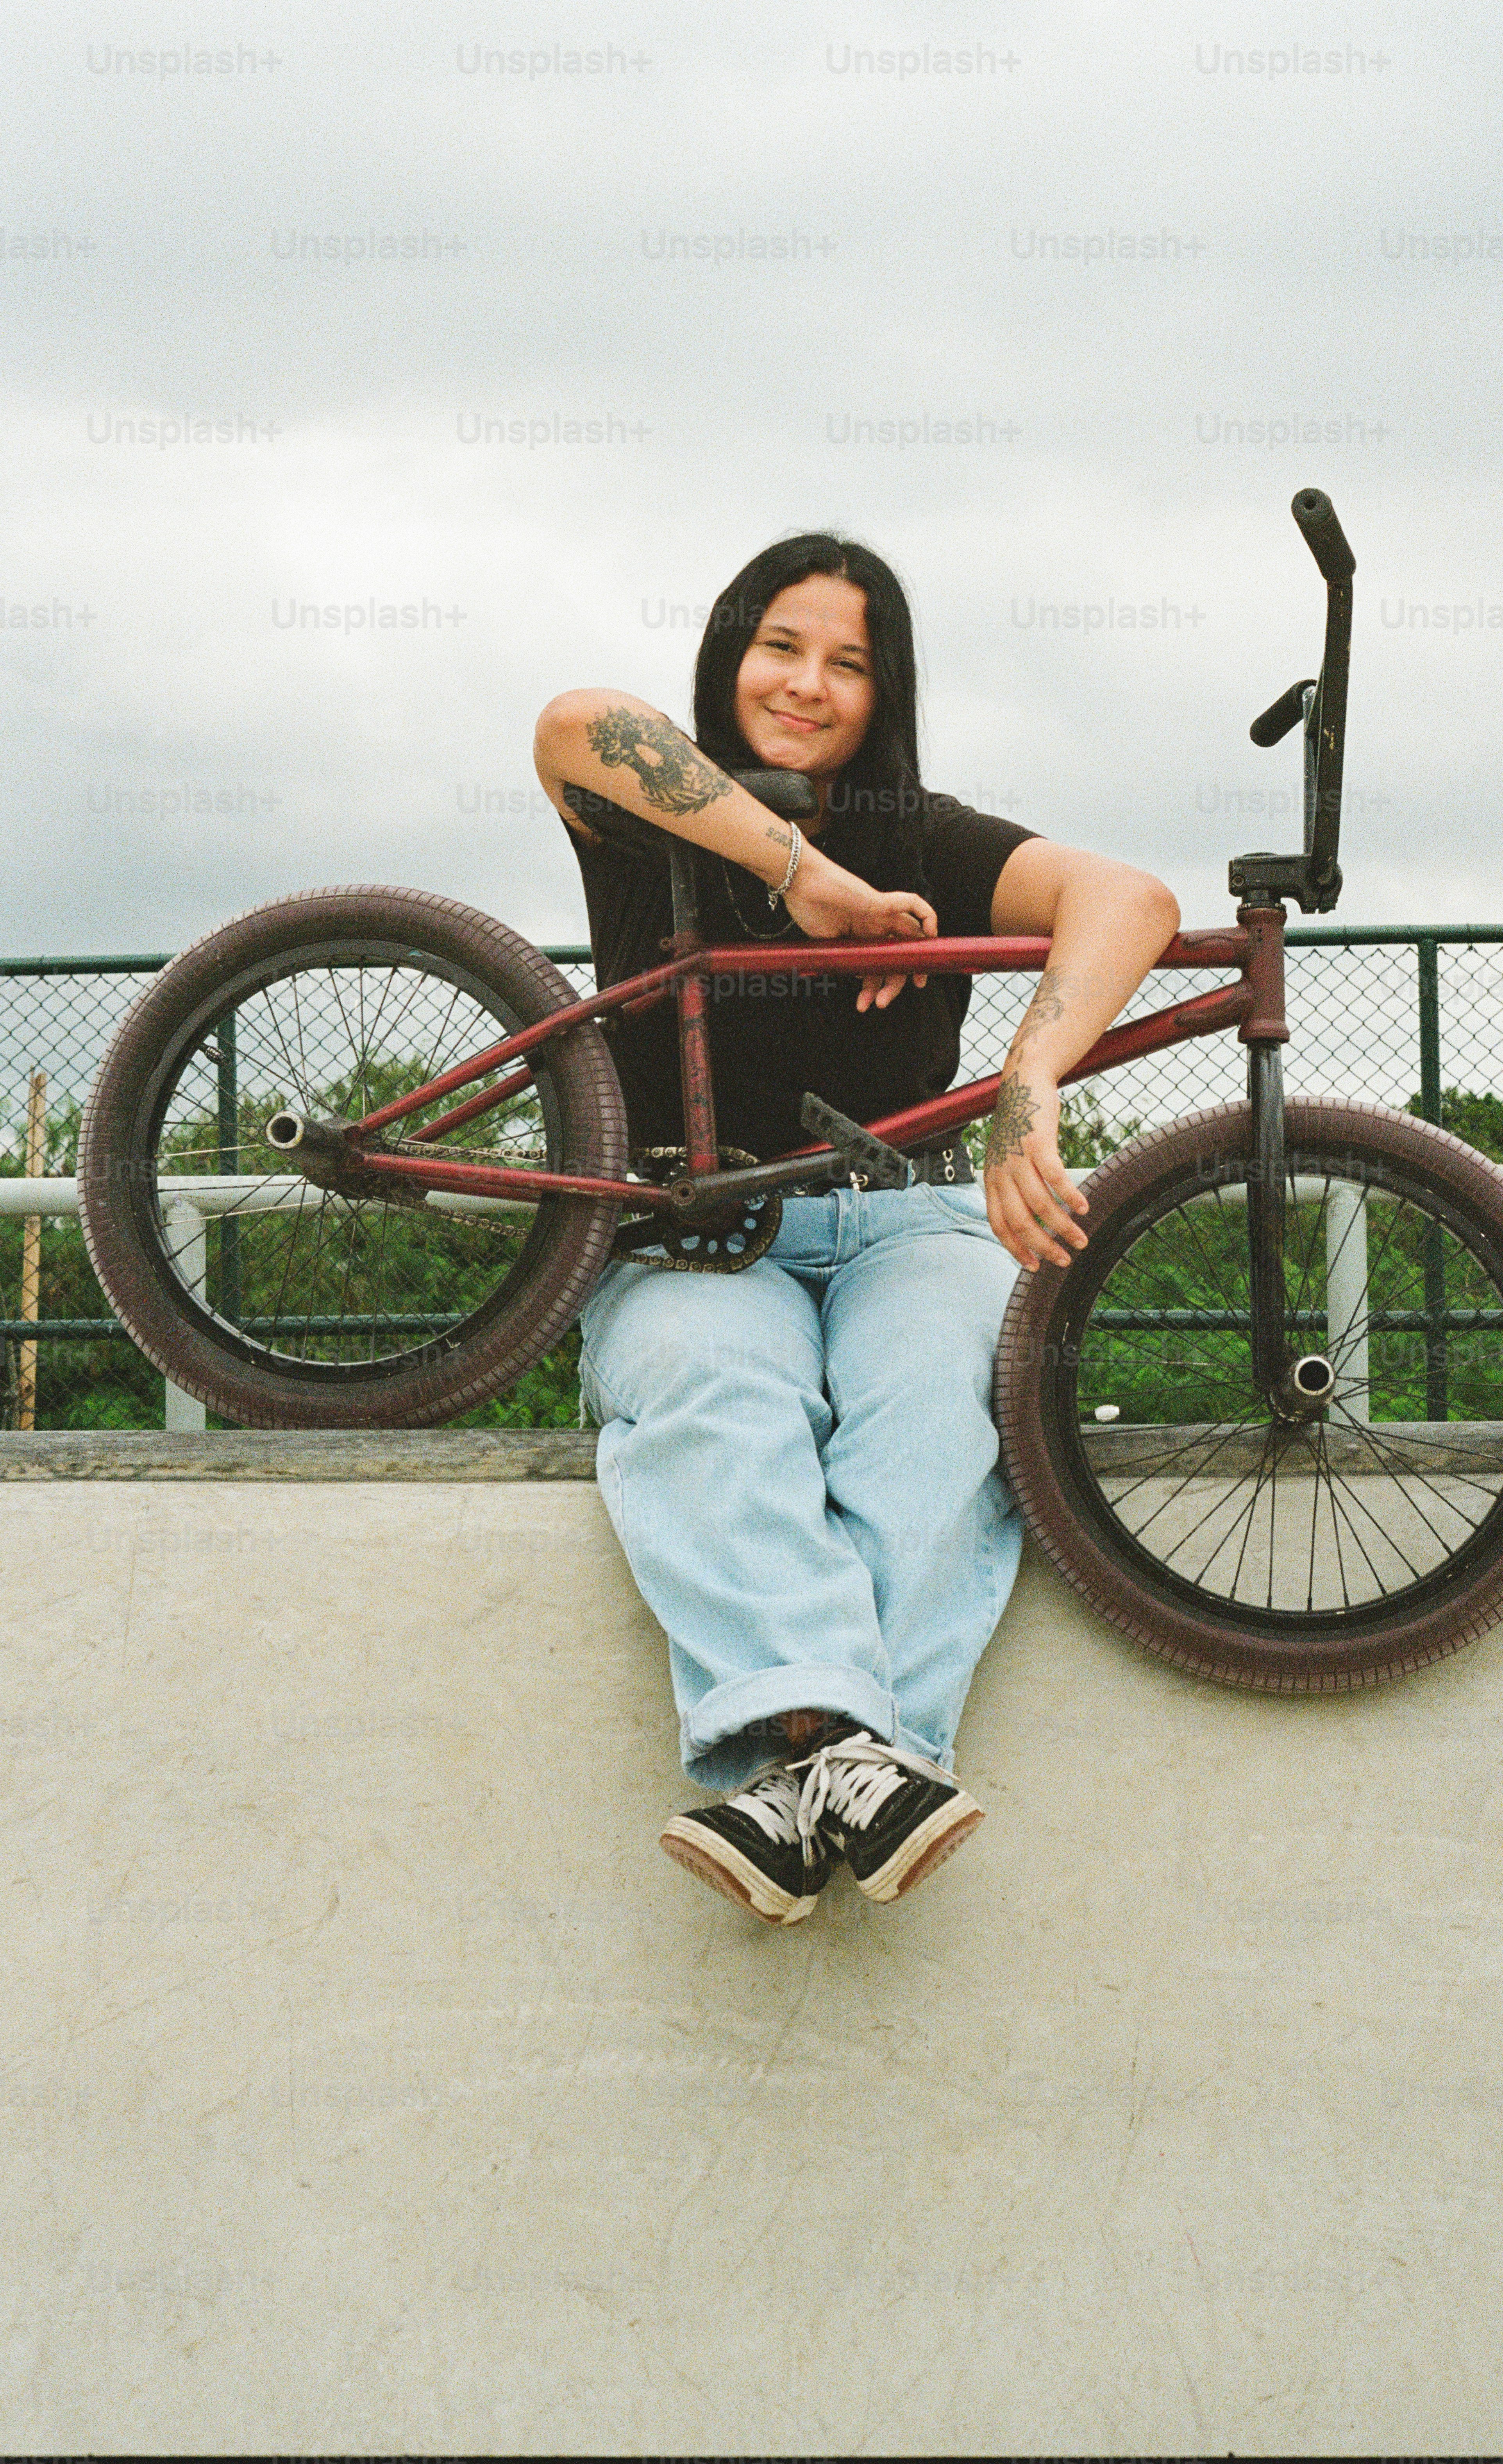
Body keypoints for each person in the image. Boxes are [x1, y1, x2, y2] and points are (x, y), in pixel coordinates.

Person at [533, 533, 1179, 1925]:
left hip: (907, 1219)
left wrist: (1031, 1082)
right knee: (717, 1394)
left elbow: (1129, 899)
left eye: (851, 663)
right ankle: (864, 1755)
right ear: (726, 655)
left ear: (888, 695)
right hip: (691, 1231)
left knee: (949, 1395)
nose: (809, 684)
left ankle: (802, 1770)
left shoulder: (920, 832)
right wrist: (805, 880)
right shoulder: (657, 816)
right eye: (782, 646)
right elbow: (574, 724)